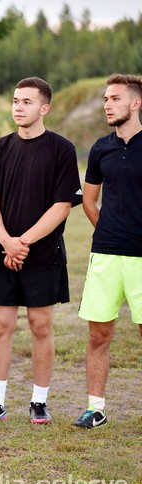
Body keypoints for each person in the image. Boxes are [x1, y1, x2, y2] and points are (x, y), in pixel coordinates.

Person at [0, 77, 82, 424]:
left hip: (44, 255)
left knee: (40, 325)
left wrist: (23, 242)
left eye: (27, 102)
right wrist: (7, 241)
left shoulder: (62, 149)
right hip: (3, 252)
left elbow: (62, 206)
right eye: (16, 102)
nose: (18, 107)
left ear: (44, 108)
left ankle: (39, 402)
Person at [73, 73, 142, 429]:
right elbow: (88, 200)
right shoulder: (101, 148)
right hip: (107, 255)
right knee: (99, 334)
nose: (107, 105)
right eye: (104, 99)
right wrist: (110, 232)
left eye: (114, 98)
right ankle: (95, 408)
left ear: (135, 102)